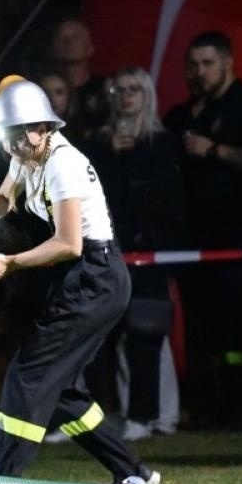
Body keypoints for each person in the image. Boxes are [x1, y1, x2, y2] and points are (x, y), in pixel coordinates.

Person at [0, 78, 157, 484]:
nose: (11, 145)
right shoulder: (25, 155)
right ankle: (134, 471)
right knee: (64, 391)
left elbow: (68, 243)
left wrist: (9, 263)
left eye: (18, 134)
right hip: (80, 279)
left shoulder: (63, 163)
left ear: (42, 127)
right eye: (5, 136)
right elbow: (2, 198)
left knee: (27, 376)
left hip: (95, 276)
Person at [162, 32, 242, 429]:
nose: (198, 72)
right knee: (203, 330)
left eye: (207, 63)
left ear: (229, 62)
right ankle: (208, 412)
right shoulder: (181, 116)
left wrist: (213, 150)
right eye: (193, 64)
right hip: (194, 242)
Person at [86, 67, 186, 441]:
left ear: (147, 95)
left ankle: (147, 416)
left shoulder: (161, 143)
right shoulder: (99, 143)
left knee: (146, 334)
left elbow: (157, 198)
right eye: (119, 90)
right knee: (111, 336)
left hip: (149, 252)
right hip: (111, 249)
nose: (126, 96)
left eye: (134, 89)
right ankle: (133, 413)